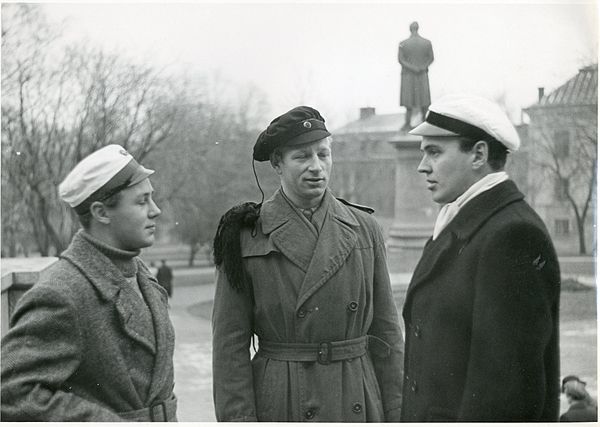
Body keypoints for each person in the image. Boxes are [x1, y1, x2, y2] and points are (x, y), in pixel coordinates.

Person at [211, 106, 404, 422]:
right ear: (277, 163)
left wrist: (398, 413)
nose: (317, 167)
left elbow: (388, 335)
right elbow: (229, 350)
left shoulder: (364, 228)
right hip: (283, 399)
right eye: (302, 157)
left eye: (323, 154)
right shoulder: (245, 235)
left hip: (356, 394)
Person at [401, 94, 561, 421]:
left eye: (434, 152)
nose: (422, 166)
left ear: (478, 154)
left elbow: (506, 393)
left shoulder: (511, 235)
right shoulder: (465, 220)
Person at [1, 144, 177, 421]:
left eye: (151, 199)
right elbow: (11, 392)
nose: (155, 211)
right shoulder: (62, 292)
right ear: (101, 212)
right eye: (142, 201)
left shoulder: (140, 275)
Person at [398, 21, 434, 131]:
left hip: (409, 75)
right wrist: (422, 67)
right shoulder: (427, 42)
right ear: (418, 28)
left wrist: (412, 68)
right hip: (421, 74)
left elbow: (401, 60)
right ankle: (425, 120)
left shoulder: (403, 43)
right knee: (423, 98)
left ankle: (407, 123)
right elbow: (431, 58)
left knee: (409, 100)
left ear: (410, 29)